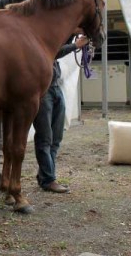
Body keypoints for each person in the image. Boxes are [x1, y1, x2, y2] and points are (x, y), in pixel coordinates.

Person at [34, 34, 90, 193]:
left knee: (56, 138)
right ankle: (49, 179)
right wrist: (76, 45)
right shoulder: (40, 36)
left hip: (56, 88)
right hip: (43, 91)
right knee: (45, 138)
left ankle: (45, 175)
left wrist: (75, 36)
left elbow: (61, 43)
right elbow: (53, 51)